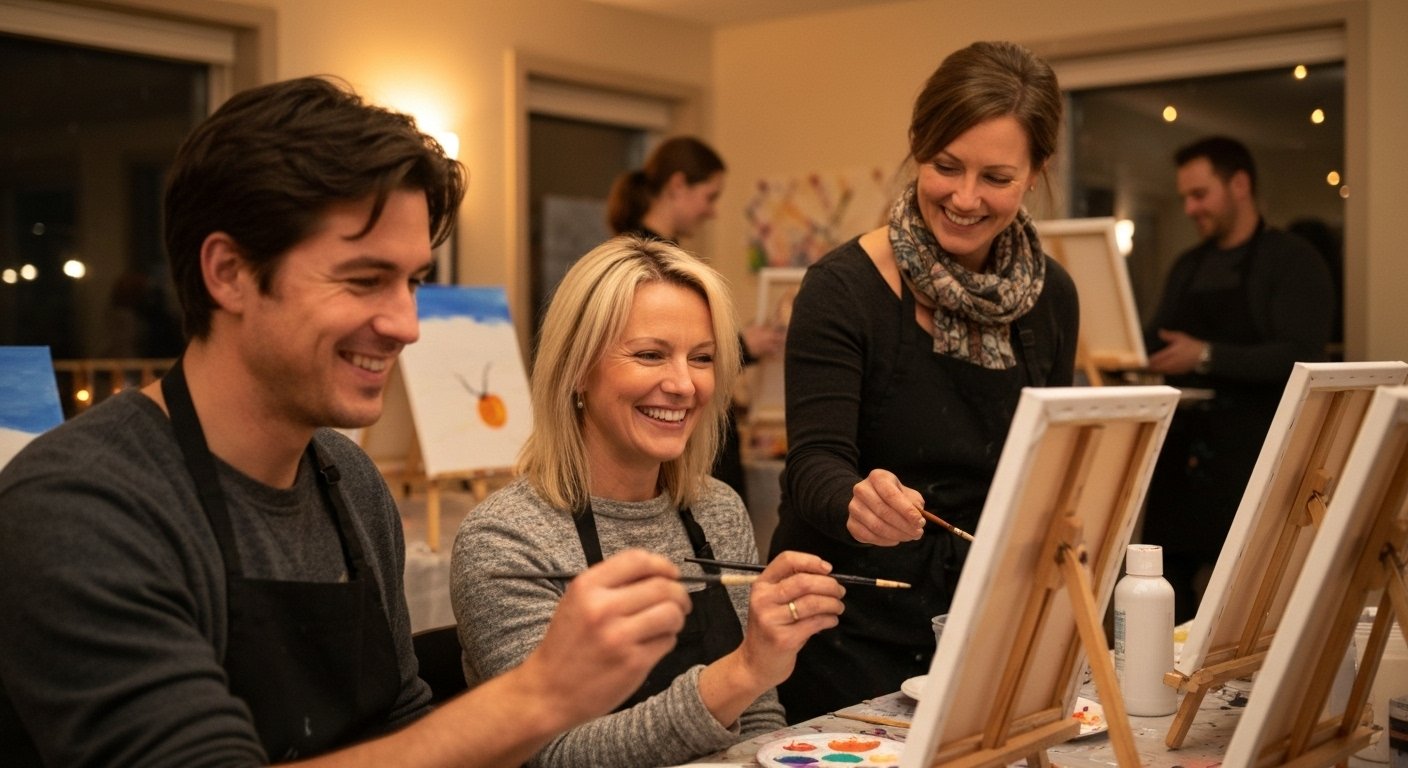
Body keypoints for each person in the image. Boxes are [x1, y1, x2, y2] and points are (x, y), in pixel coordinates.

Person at [0, 75, 693, 767]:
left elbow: (402, 723)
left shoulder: (350, 483)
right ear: (228, 272)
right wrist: (536, 695)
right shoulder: (78, 504)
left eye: (413, 281)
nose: (406, 324)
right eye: (364, 280)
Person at [768, 40, 1079, 722]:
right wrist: (856, 500)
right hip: (847, 626)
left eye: (996, 177)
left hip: (980, 622)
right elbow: (814, 462)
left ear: (1036, 172)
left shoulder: (1051, 298)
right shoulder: (842, 289)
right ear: (917, 147)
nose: (965, 198)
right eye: (946, 167)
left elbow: (1050, 467)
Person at [450, 235, 845, 767]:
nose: (683, 384)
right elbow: (554, 755)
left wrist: (760, 678)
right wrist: (745, 669)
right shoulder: (507, 539)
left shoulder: (717, 511)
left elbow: (757, 723)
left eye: (701, 358)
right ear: (577, 370)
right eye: (651, 355)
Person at [1141, 135, 1334, 623]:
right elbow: (1155, 339)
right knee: (1163, 594)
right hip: (1179, 463)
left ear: (1240, 185)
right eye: (1185, 196)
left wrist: (1205, 355)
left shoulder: (1293, 261)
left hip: (1255, 460)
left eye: (1199, 194)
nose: (1189, 207)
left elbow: (1301, 357)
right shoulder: (1188, 266)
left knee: (1250, 605)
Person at [607, 137, 785, 498]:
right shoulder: (641, 263)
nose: (713, 211)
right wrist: (742, 345)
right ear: (677, 186)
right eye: (710, 196)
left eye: (702, 357)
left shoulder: (662, 257)